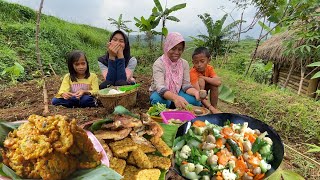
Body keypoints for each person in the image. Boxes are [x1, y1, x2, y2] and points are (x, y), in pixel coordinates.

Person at [149, 32, 202, 109]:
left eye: (180, 49)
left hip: (177, 91)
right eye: (173, 48)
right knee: (158, 101)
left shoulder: (184, 64)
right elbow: (160, 88)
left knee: (195, 101)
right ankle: (173, 103)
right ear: (167, 47)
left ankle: (174, 104)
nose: (176, 52)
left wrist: (196, 92)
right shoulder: (159, 64)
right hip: (160, 93)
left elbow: (186, 85)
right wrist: (175, 98)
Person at [190, 47, 221, 112]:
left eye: (202, 61)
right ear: (193, 62)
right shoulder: (192, 72)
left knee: (214, 85)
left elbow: (218, 82)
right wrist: (210, 107)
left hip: (203, 91)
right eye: (196, 62)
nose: (199, 65)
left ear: (208, 60)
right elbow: (198, 93)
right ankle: (207, 107)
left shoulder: (209, 68)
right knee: (201, 81)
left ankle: (214, 108)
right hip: (194, 94)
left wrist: (203, 77)